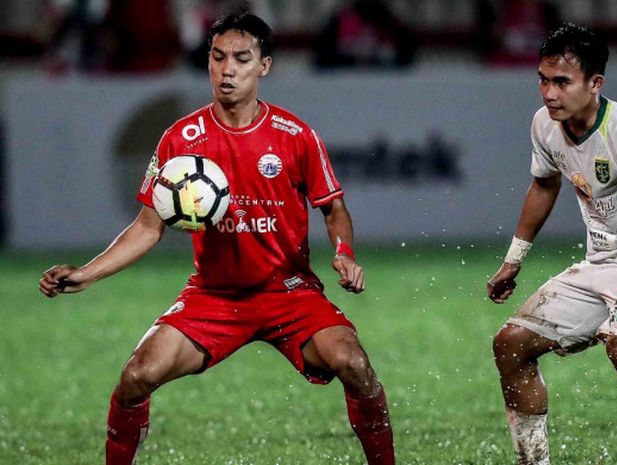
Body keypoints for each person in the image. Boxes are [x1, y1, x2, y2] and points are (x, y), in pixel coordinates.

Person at [39, 12, 394, 465]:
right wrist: (86, 274)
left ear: (264, 65)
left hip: (289, 293)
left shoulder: (295, 135)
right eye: (217, 57)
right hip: (214, 296)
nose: (227, 69)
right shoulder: (180, 139)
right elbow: (148, 227)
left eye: (241, 59)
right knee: (135, 377)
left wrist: (344, 253)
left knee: (356, 366)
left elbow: (334, 209)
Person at [487, 23, 617, 465]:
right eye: (543, 80)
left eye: (562, 82)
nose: (549, 93)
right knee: (510, 344)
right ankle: (533, 462)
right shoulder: (545, 126)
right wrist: (514, 260)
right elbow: (544, 186)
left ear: (595, 83)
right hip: (599, 263)